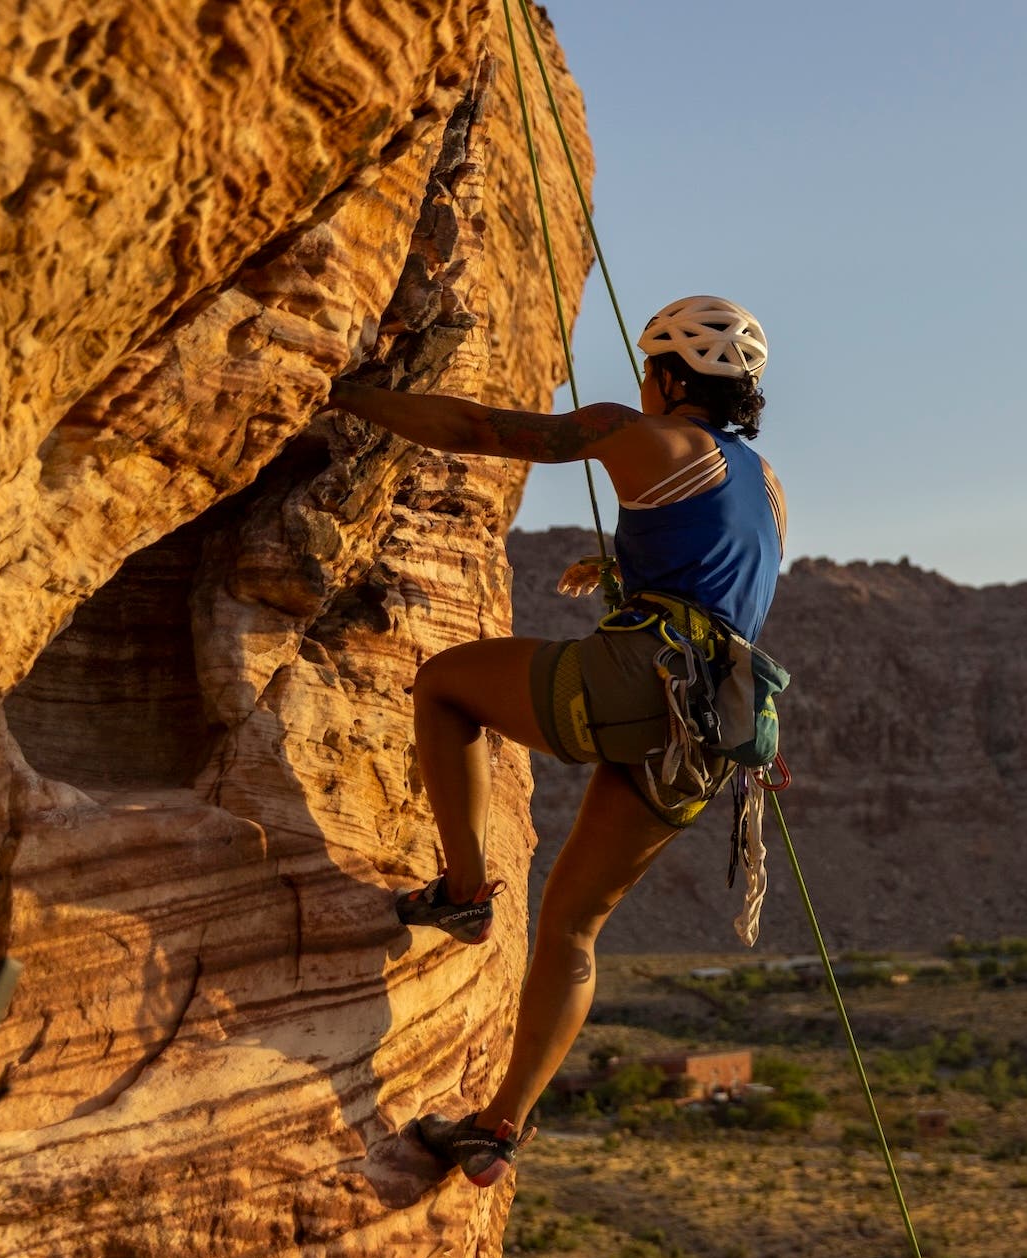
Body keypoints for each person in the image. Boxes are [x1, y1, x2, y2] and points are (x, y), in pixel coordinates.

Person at [325, 296, 784, 1187]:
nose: (643, 384)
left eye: (652, 370)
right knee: (574, 926)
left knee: (446, 685)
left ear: (670, 378)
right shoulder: (766, 484)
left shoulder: (633, 432)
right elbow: (718, 573)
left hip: (637, 683)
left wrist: (347, 396)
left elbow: (477, 426)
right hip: (714, 731)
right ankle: (498, 1130)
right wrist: (618, 570)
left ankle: (463, 891)